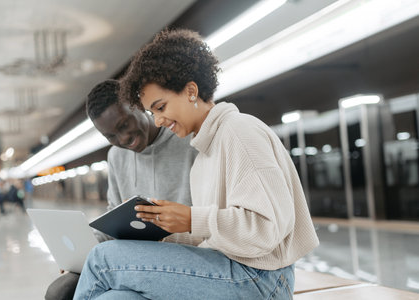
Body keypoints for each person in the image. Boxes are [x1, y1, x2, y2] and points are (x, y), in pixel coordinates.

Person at [74, 29, 319, 299]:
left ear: (191, 91)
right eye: (153, 112)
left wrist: (192, 219)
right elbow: (213, 238)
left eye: (161, 107)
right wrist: (168, 233)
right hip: (230, 268)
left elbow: (265, 230)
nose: (157, 121)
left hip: (261, 279)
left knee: (102, 259)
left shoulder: (239, 132)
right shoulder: (204, 153)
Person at [45, 79, 198, 300]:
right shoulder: (116, 156)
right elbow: (113, 219)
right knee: (59, 291)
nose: (124, 139)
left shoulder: (186, 139)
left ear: (137, 105)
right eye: (111, 136)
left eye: (124, 125)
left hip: (183, 256)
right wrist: (82, 255)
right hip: (135, 257)